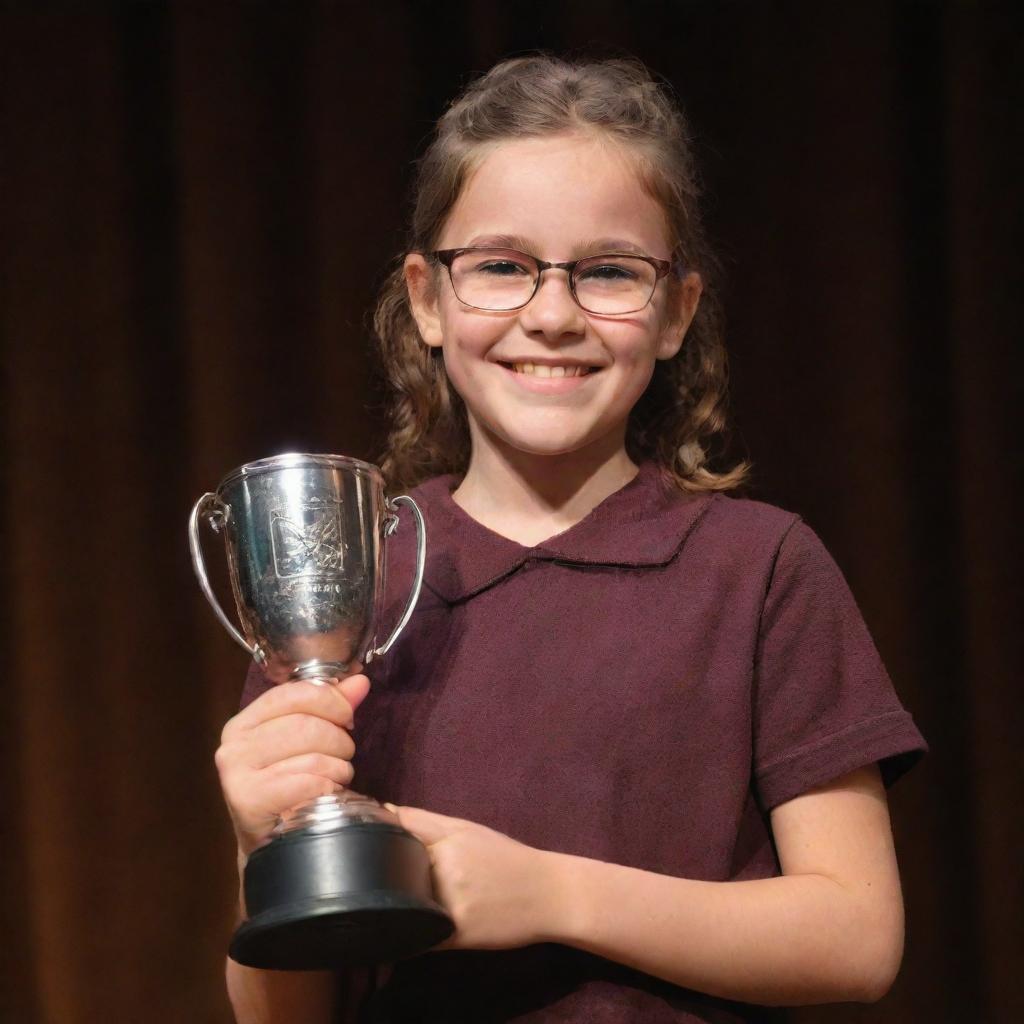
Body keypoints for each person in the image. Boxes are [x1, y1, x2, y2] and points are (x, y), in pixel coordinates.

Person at [215, 55, 926, 1023]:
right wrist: (264, 840)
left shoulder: (760, 571)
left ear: (675, 311)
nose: (551, 315)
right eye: (501, 265)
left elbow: (855, 934)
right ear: (427, 298)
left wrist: (549, 894)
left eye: (607, 272)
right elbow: (282, 1011)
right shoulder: (351, 584)